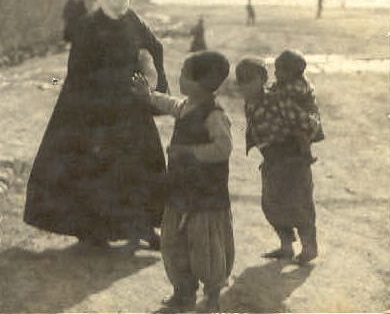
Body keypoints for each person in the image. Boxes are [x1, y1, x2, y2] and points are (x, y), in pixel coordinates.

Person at [24, 0, 169, 249]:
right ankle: (94, 230)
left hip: (129, 111)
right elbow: (78, 72)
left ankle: (142, 226)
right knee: (94, 170)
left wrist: (150, 84)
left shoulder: (134, 21)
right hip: (96, 113)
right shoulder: (88, 26)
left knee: (139, 166)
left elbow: (155, 47)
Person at [132, 51, 234, 313]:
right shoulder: (189, 105)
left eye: (184, 75)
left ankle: (212, 297)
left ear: (202, 82)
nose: (179, 78)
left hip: (205, 195)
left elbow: (223, 149)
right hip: (180, 188)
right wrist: (149, 97)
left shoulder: (215, 115)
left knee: (206, 245)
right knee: (174, 242)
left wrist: (190, 152)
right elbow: (172, 105)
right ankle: (183, 291)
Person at [235, 58, 321, 265]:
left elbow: (308, 122)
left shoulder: (278, 99)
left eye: (250, 79)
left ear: (263, 79)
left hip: (293, 159)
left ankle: (309, 248)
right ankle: (286, 246)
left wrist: (300, 143)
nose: (245, 85)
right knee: (271, 204)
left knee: (299, 203)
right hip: (272, 160)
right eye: (240, 80)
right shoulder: (250, 104)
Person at [270, 50, 325, 162]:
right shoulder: (284, 83)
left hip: (306, 119)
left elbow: (288, 92)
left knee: (300, 134)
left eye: (280, 70)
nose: (275, 73)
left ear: (291, 72)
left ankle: (306, 155)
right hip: (296, 116)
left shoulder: (299, 85)